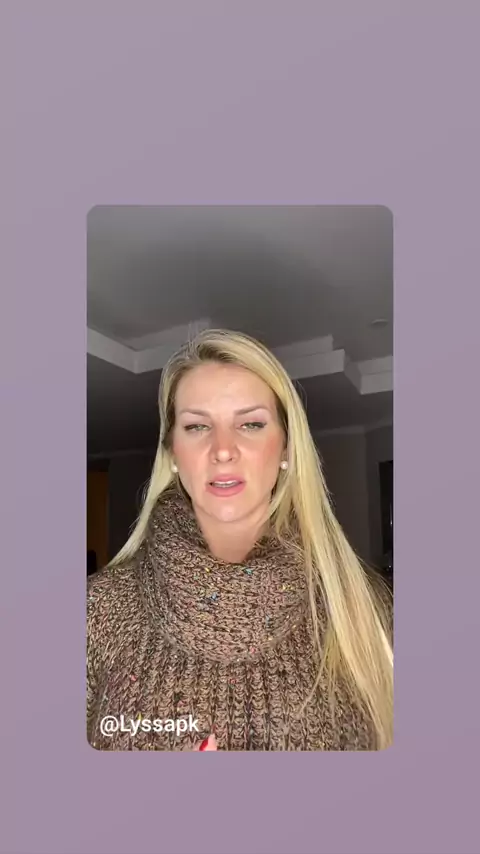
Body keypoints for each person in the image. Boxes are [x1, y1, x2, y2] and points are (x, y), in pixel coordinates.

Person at [87, 328, 393, 751]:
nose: (223, 450)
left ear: (286, 448)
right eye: (197, 426)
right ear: (173, 453)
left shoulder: (366, 610)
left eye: (251, 424)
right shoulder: (94, 611)